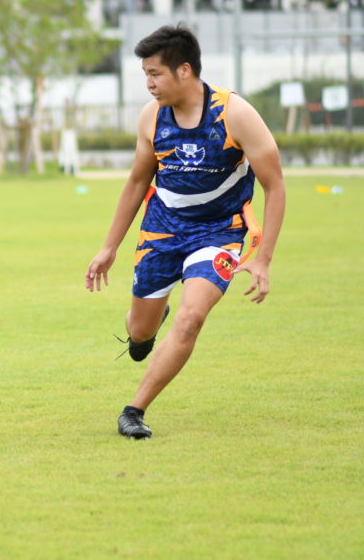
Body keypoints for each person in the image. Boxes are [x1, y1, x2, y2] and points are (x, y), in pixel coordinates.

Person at [85, 25, 285, 440]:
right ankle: (149, 327)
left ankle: (133, 411)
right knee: (140, 330)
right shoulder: (151, 117)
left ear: (185, 70)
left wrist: (263, 257)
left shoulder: (235, 114)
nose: (149, 83)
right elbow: (138, 182)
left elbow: (275, 185)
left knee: (192, 318)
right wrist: (109, 247)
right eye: (145, 74)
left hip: (219, 232)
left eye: (155, 73)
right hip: (161, 230)